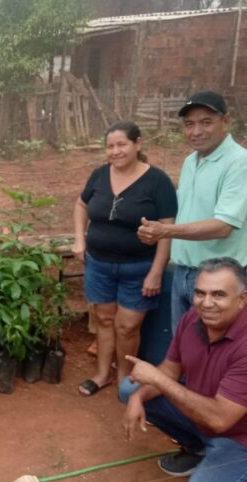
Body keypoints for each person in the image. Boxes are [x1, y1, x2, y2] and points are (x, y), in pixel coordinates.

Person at [122, 257, 247, 482]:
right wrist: (138, 396)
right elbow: (170, 370)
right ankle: (197, 450)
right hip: (207, 414)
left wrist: (157, 381)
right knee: (130, 389)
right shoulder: (193, 319)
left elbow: (219, 419)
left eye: (218, 295)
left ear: (242, 299)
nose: (206, 303)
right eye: (200, 293)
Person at [137, 91, 247, 332]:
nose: (196, 132)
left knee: (214, 349)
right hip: (185, 270)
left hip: (220, 279)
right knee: (184, 346)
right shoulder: (191, 161)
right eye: (189, 124)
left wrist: (166, 231)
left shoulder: (239, 162)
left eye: (206, 122)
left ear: (225, 121)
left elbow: (223, 226)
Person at [72, 121, 177, 396]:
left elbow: (167, 229)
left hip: (139, 266)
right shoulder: (98, 175)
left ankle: (124, 378)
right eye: (110, 146)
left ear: (138, 144)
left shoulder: (158, 181)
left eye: (122, 144)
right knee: (105, 320)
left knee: (128, 325)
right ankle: (102, 374)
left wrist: (157, 271)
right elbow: (81, 204)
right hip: (99, 263)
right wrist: (80, 239)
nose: (115, 151)